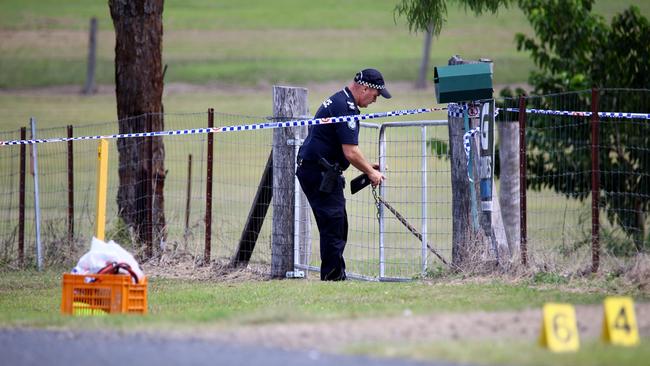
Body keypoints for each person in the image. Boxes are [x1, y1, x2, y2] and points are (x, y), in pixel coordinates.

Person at [296, 68, 390, 281]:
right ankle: (332, 277)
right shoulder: (346, 108)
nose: (375, 101)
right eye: (375, 96)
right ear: (365, 88)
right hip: (318, 172)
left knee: (337, 224)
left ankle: (335, 274)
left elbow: (346, 151)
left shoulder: (341, 100)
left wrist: (367, 166)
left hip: (318, 169)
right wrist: (370, 173)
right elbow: (351, 151)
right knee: (333, 224)